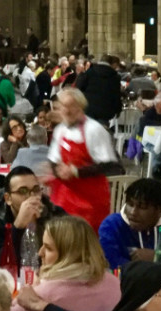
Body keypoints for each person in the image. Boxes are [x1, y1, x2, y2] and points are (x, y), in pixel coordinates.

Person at [47, 88, 122, 231]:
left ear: (81, 107)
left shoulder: (94, 130)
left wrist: (76, 171)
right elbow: (53, 159)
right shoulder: (60, 130)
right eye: (63, 107)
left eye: (71, 107)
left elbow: (109, 165)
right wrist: (55, 171)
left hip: (90, 202)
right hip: (65, 199)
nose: (66, 111)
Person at [97, 178, 161, 270]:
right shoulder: (112, 225)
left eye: (142, 207)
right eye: (130, 204)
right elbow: (109, 262)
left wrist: (160, 257)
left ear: (160, 210)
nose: (133, 212)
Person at [0, 166, 65, 267]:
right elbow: (1, 265)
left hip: (53, 276)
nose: (31, 196)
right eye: (23, 191)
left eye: (36, 189)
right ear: (8, 198)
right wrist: (17, 227)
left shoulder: (55, 215)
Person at [75, 54, 122, 126]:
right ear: (110, 63)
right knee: (101, 132)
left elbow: (80, 87)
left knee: (88, 131)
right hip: (105, 111)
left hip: (89, 109)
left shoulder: (90, 72)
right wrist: (117, 110)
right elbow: (116, 95)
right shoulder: (115, 77)